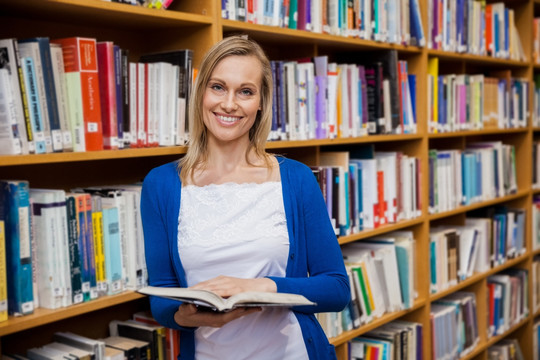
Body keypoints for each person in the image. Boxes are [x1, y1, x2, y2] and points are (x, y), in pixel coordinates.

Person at [141, 35, 350, 360]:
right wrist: (184, 316)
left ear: (261, 101)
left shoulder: (295, 178)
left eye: (246, 91)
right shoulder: (161, 185)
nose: (229, 104)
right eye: (218, 87)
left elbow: (336, 289)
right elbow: (163, 299)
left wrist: (261, 287)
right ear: (201, 94)